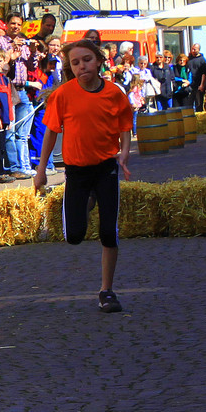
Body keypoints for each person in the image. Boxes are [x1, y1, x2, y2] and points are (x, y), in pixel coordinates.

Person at [32, 40, 133, 313]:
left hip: (106, 168)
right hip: (76, 171)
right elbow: (51, 132)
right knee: (74, 235)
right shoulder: (62, 95)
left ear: (99, 61)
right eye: (75, 63)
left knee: (108, 232)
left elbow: (125, 126)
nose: (82, 66)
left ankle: (106, 291)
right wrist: (41, 171)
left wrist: (124, 153)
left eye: (87, 60)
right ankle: (86, 200)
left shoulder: (114, 93)